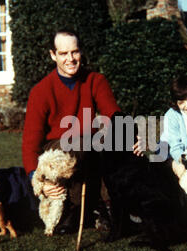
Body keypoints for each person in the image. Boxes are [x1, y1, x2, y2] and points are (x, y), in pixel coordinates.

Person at [22, 29, 142, 234]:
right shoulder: (41, 91)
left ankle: (111, 206)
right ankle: (75, 209)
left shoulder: (95, 81)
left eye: (75, 52)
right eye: (63, 53)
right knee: (78, 143)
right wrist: (39, 182)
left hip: (89, 144)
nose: (70, 59)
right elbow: (30, 144)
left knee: (114, 140)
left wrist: (131, 135)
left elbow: (112, 112)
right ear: (53, 55)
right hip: (59, 149)